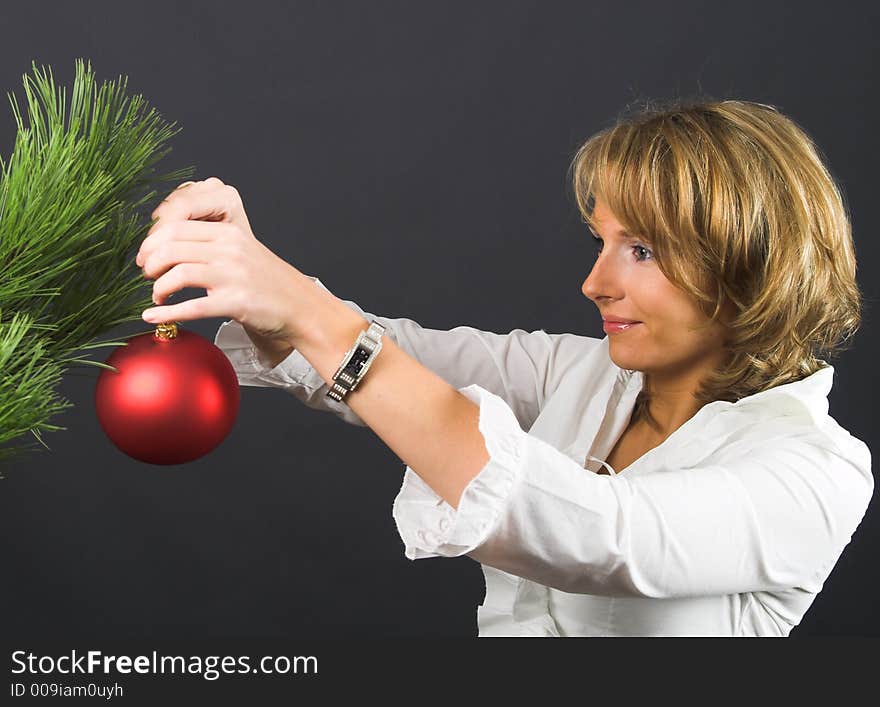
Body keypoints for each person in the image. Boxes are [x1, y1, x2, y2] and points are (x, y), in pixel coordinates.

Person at [140, 98, 873, 636]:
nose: (596, 283)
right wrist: (258, 277)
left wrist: (305, 307)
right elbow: (401, 357)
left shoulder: (815, 472)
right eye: (599, 241)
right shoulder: (584, 372)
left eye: (642, 249)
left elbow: (600, 534)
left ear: (752, 261)